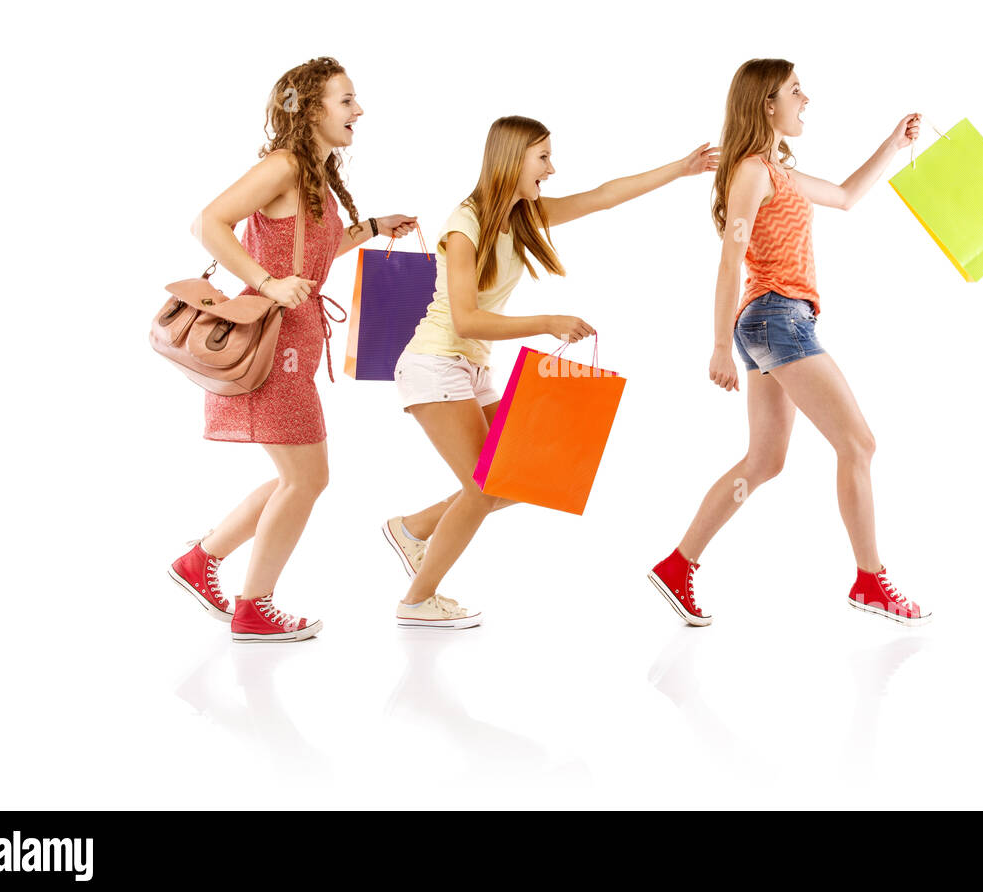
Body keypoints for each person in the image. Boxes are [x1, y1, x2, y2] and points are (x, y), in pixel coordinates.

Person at [383, 115, 719, 628]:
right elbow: (468, 317)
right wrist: (547, 322)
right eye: (542, 157)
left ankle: (414, 528)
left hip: (469, 367)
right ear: (511, 158)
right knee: (484, 487)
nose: (552, 168)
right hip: (434, 364)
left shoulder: (520, 217)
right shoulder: (465, 223)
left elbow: (602, 195)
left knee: (526, 473)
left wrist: (680, 168)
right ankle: (417, 600)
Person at [647, 58, 932, 626]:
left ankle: (678, 566)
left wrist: (893, 144)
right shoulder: (753, 171)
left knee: (765, 459)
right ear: (766, 105)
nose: (806, 100)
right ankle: (870, 580)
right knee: (859, 444)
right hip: (777, 319)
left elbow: (848, 196)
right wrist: (718, 347)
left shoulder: (777, 171)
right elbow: (731, 254)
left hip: (770, 321)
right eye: (795, 92)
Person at [166, 56, 418, 642]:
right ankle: (253, 606)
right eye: (346, 100)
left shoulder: (312, 176)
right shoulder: (283, 165)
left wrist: (374, 227)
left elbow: (310, 254)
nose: (359, 111)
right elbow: (208, 224)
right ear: (310, 109)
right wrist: (267, 280)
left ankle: (199, 563)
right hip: (273, 341)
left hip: (295, 343)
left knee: (297, 476)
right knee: (305, 478)